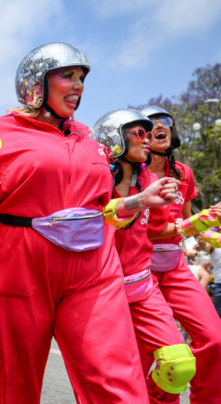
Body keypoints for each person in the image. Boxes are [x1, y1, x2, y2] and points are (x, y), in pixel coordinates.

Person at [0, 42, 180, 403]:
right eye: (67, 75)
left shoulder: (91, 140)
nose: (79, 86)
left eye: (82, 78)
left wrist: (138, 200)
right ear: (35, 80)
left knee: (116, 380)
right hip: (20, 261)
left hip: (94, 267)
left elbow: (100, 208)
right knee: (19, 385)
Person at [92, 108, 194, 402]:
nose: (147, 139)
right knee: (114, 381)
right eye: (139, 133)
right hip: (100, 292)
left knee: (180, 364)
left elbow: (161, 228)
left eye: (149, 134)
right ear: (115, 140)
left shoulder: (151, 179)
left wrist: (197, 224)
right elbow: (89, 224)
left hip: (143, 288)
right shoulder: (94, 177)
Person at [141, 105, 221, 403]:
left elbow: (185, 228)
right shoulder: (133, 172)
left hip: (175, 266)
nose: (159, 125)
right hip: (139, 271)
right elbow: (147, 231)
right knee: (160, 353)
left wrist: (212, 232)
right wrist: (198, 222)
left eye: (165, 122)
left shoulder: (183, 172)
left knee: (214, 339)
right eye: (149, 123)